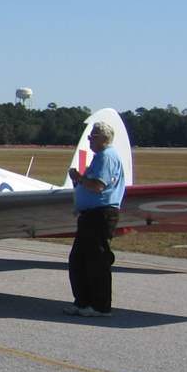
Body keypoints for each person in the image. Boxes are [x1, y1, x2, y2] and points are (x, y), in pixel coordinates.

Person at [65, 121, 126, 318]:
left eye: (93, 136)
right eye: (90, 136)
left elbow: (98, 185)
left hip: (101, 214)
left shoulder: (106, 156)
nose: (90, 139)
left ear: (103, 138)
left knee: (96, 261)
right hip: (91, 215)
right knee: (79, 259)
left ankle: (100, 306)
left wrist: (79, 177)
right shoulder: (100, 157)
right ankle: (82, 302)